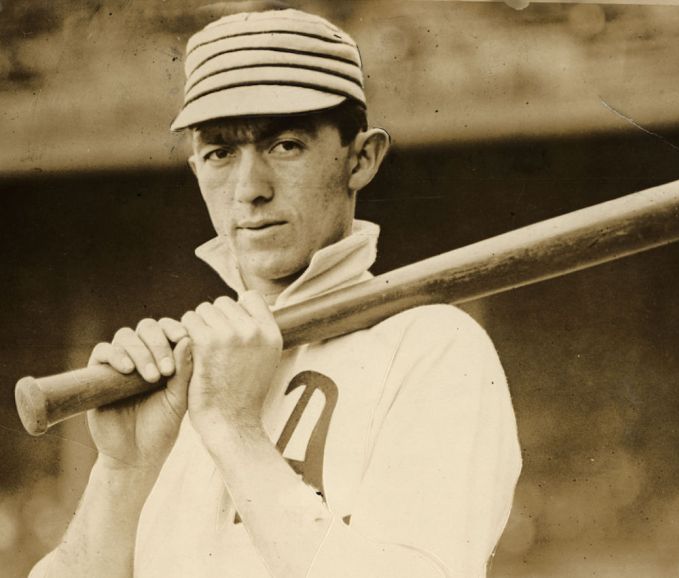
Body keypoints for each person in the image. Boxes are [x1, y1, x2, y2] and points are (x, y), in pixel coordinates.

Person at [30, 8, 521, 578]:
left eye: (285, 145)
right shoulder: (184, 378)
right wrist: (123, 471)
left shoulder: (432, 348)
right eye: (220, 153)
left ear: (361, 158)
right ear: (196, 170)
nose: (249, 189)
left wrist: (234, 430)